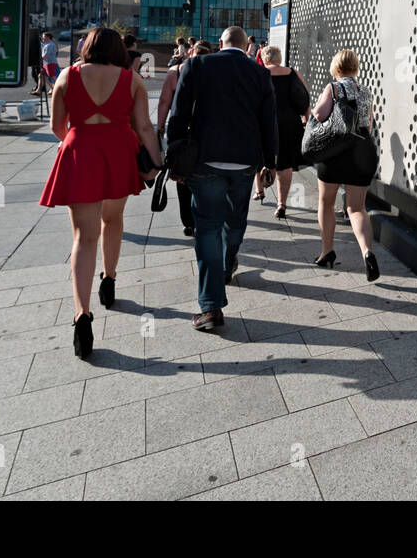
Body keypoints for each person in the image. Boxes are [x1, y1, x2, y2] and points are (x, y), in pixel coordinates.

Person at [40, 27, 162, 358]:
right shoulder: (131, 79)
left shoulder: (67, 75)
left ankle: (82, 314)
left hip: (80, 151)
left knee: (83, 236)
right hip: (118, 152)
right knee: (113, 219)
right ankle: (109, 280)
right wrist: (157, 160)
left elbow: (56, 127)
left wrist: (78, 142)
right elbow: (144, 127)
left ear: (87, 47)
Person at [167, 26, 277, 331]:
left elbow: (179, 114)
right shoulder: (260, 74)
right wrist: (270, 162)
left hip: (205, 162)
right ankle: (228, 264)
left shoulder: (198, 64)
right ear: (245, 47)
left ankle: (211, 307)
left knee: (207, 229)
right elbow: (269, 122)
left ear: (220, 43)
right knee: (236, 220)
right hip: (244, 163)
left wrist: (175, 153)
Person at [312, 49, 380, 280]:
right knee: (357, 208)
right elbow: (369, 125)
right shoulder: (366, 91)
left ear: (336, 67)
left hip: (335, 152)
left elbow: (320, 115)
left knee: (326, 202)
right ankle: (367, 252)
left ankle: (327, 251)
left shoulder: (333, 88)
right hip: (362, 150)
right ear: (355, 67)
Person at [157, 39, 213, 235]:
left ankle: (188, 221)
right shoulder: (215, 71)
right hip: (208, 130)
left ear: (191, 52)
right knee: (207, 175)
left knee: (183, 175)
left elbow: (165, 101)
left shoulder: (176, 71)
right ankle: (204, 216)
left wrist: (161, 126)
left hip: (182, 131)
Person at [261, 45, 308, 219]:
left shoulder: (260, 73)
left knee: (262, 158)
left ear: (265, 58)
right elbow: (305, 96)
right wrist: (306, 118)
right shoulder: (293, 73)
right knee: (285, 163)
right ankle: (281, 203)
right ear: (279, 57)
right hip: (290, 122)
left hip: (265, 122)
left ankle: (262, 187)